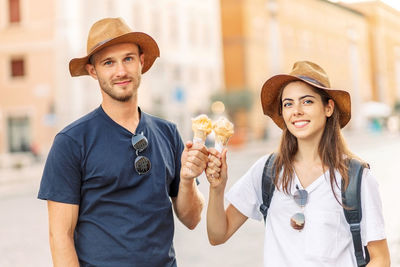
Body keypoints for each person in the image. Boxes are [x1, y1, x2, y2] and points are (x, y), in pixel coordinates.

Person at [38, 17, 207, 267]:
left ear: (141, 62)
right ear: (93, 71)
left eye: (128, 58)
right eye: (108, 62)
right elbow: (60, 236)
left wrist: (187, 179)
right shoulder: (71, 142)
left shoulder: (168, 132)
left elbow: (191, 218)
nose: (120, 71)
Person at [205, 61, 390, 266]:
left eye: (307, 101)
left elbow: (381, 259)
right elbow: (217, 235)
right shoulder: (267, 171)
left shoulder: (356, 178)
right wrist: (217, 188)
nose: (297, 111)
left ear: (328, 108)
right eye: (288, 104)